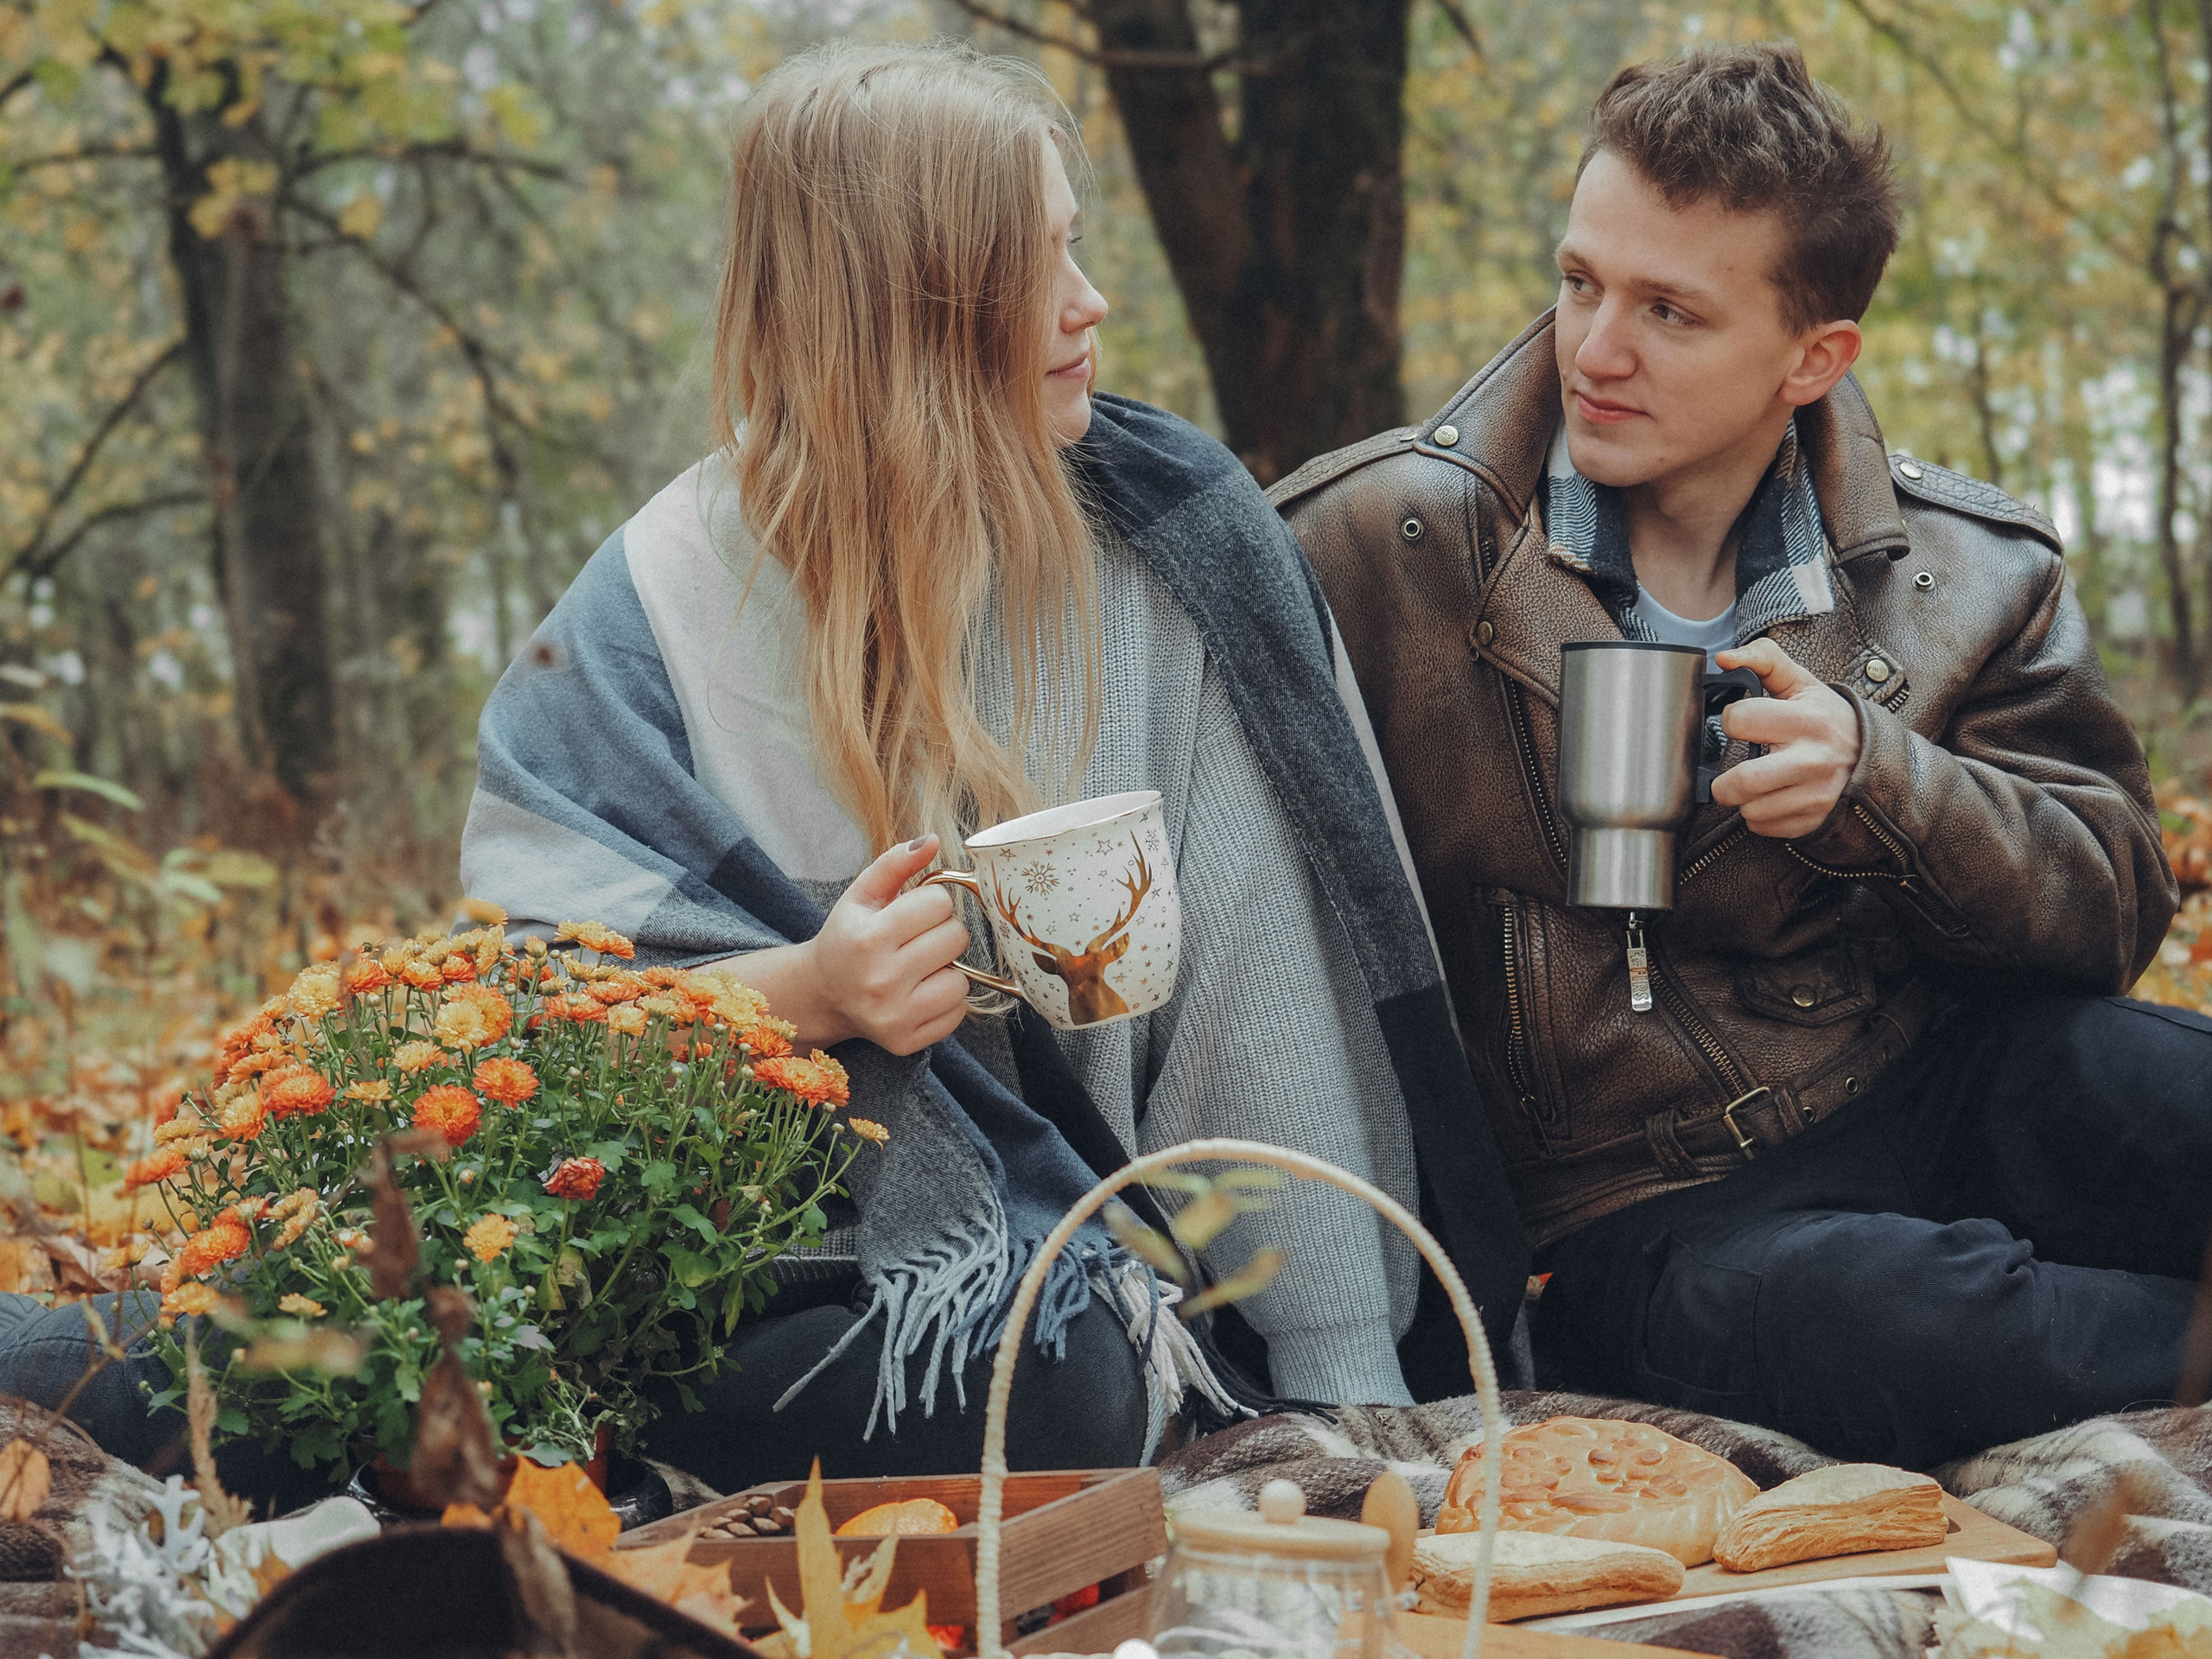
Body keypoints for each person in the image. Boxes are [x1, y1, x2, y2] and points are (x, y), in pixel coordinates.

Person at [458, 41, 1525, 1491]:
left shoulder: (1165, 547)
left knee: (1066, 1380)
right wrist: (815, 994)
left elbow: (1262, 1001)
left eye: (1073, 246)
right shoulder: (660, 601)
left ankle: (530, 1438)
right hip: (736, 1258)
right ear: (906, 311)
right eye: (1034, 267)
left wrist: (1343, 1390)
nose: (1091, 305)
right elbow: (531, 1032)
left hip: (1065, 1282)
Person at [1272, 41, 2209, 1470]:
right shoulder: (1378, 548)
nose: (1597, 349)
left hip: (1939, 1075)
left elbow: (2114, 901)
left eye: (1671, 312)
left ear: (1813, 357)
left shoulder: (1967, 569)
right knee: (1905, 1323)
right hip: (1645, 1202)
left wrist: (1884, 786)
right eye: (1582, 281)